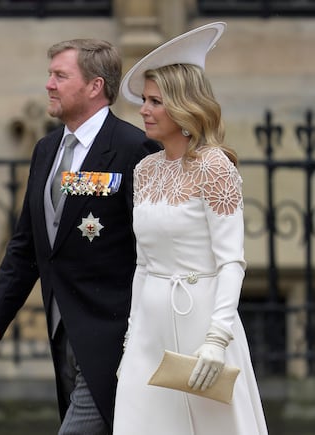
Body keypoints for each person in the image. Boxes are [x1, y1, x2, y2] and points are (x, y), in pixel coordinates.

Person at [0, 38, 159, 434]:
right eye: (50, 75)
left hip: (115, 336)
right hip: (63, 329)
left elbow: (153, 248)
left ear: (94, 86)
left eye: (60, 75)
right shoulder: (46, 149)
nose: (49, 85)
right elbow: (28, 247)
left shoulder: (132, 148)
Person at [113, 22, 268, 434]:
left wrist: (217, 338)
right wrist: (131, 342)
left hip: (204, 321)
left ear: (184, 107)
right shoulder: (145, 169)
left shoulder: (215, 166)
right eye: (144, 100)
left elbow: (231, 261)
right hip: (150, 327)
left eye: (155, 102)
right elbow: (143, 265)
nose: (143, 110)